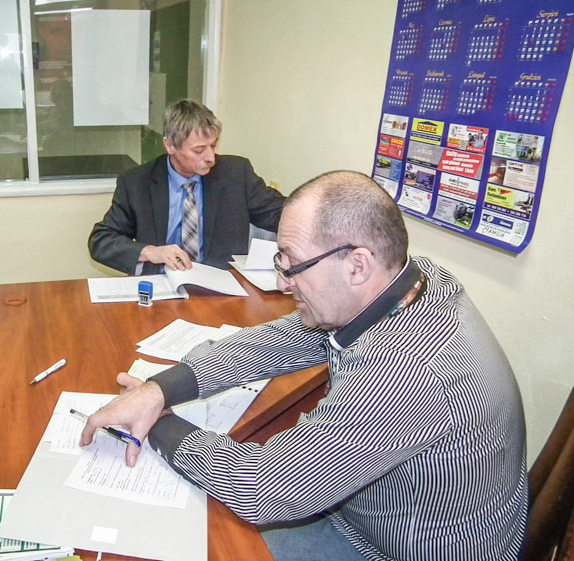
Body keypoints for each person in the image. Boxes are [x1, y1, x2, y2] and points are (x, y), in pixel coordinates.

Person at [81, 170, 527, 561]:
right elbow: (274, 343)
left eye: (293, 266)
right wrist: (159, 388)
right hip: (377, 512)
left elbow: (261, 489)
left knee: (199, 543)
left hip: (389, 548)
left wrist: (159, 422)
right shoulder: (409, 280)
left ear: (357, 265)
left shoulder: (408, 368)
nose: (281, 282)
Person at [87, 99, 285, 274]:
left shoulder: (236, 174)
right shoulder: (137, 183)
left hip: (221, 287)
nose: (210, 158)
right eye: (199, 150)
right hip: (162, 283)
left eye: (213, 146)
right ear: (170, 146)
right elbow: (101, 241)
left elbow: (281, 214)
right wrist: (150, 252)